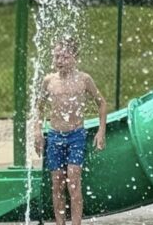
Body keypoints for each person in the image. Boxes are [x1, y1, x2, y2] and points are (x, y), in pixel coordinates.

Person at [34, 37, 106, 225]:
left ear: (75, 57)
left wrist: (101, 131)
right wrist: (37, 132)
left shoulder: (84, 80)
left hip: (76, 136)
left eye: (64, 57)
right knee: (57, 184)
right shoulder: (49, 81)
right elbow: (38, 107)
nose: (59, 61)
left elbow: (101, 103)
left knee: (73, 184)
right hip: (55, 136)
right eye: (56, 56)